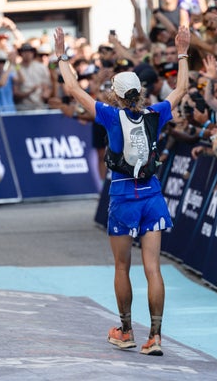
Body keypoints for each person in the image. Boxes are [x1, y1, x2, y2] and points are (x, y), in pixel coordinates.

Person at [54, 24, 190, 357]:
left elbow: (72, 88)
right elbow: (182, 88)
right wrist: (182, 51)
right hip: (152, 194)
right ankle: (156, 336)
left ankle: (126, 330)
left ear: (115, 94)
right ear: (141, 93)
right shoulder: (156, 113)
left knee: (121, 267)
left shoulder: (110, 115)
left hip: (123, 196)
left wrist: (61, 56)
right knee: (153, 268)